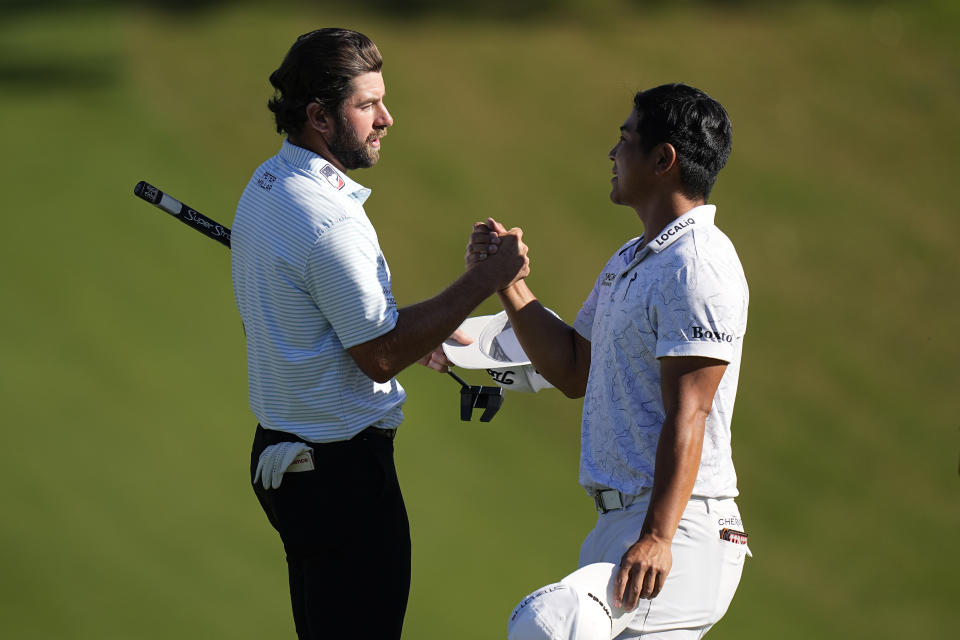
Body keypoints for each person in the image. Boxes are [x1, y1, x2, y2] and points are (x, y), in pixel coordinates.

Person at [231, 28, 528, 640]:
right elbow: (380, 354)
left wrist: (419, 335)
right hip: (341, 480)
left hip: (287, 463)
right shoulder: (331, 221)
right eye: (367, 106)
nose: (387, 119)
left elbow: (342, 326)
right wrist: (487, 280)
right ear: (319, 116)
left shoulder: (267, 183)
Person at [468, 83, 750, 638]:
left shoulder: (699, 266)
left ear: (663, 160)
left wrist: (658, 537)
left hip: (681, 530)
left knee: (547, 623)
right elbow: (574, 367)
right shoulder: (633, 259)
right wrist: (511, 287)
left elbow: (689, 412)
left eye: (625, 139)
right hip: (620, 525)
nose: (612, 154)